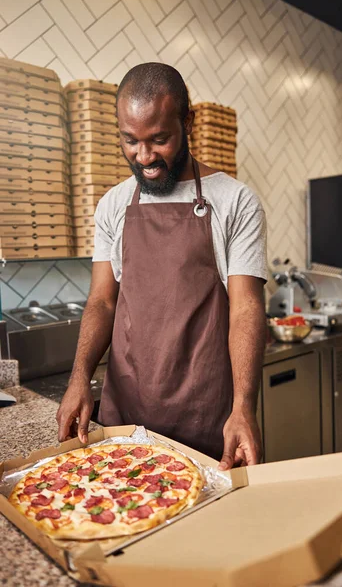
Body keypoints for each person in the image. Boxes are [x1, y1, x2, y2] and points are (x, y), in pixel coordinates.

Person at [57, 63, 267, 470]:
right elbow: (102, 302)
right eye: (131, 141)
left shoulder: (235, 201)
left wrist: (244, 405)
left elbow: (246, 307)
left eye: (159, 139)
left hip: (206, 420)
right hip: (125, 419)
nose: (144, 156)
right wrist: (79, 375)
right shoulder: (114, 205)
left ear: (187, 122)